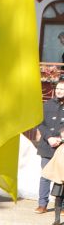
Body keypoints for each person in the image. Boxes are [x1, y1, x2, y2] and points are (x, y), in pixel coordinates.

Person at [36, 79, 64, 214]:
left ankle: (62, 206)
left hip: (62, 147)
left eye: (62, 89)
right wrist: (49, 137)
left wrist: (60, 139)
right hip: (47, 145)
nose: (59, 91)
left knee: (62, 177)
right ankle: (42, 204)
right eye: (58, 88)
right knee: (45, 175)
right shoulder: (47, 104)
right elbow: (40, 123)